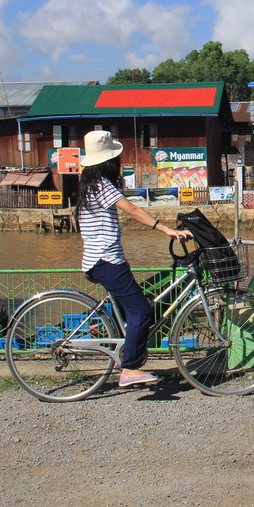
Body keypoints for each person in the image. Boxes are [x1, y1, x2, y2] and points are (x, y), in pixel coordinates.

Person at [77, 130, 192, 388]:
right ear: (109, 161)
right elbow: (133, 210)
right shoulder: (103, 185)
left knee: (134, 310)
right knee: (141, 311)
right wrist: (167, 230)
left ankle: (126, 357)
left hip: (104, 260)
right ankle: (129, 368)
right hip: (105, 261)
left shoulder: (88, 184)